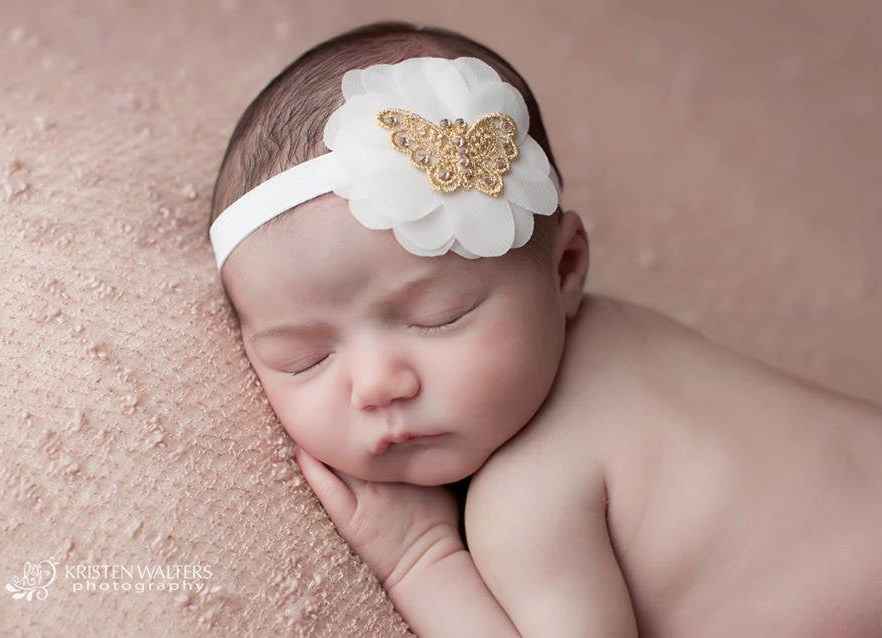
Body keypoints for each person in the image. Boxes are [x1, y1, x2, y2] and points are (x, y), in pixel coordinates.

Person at [208, 21, 882, 637]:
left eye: (440, 317)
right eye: (305, 358)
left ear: (566, 270)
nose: (378, 384)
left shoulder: (528, 497)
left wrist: (420, 559)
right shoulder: (630, 339)